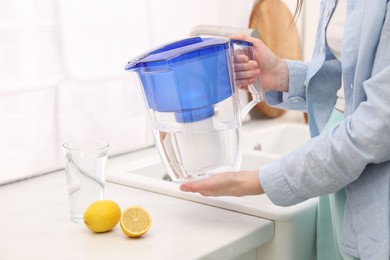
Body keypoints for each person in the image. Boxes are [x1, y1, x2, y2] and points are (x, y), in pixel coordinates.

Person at [180, 0, 390, 259]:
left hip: (371, 178)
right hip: (339, 164)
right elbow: (349, 79)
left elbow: (379, 125)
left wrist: (258, 181)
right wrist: (281, 74)